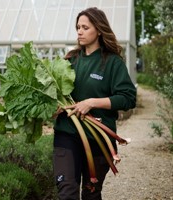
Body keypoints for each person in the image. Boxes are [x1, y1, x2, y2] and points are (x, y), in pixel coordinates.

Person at [53, 7, 136, 200]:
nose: (79, 31)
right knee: (66, 192)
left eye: (85, 27)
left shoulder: (112, 63)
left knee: (91, 194)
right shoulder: (69, 60)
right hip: (67, 134)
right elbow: (57, 94)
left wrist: (91, 103)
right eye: (78, 27)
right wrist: (55, 107)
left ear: (98, 30)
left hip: (99, 136)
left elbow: (128, 98)